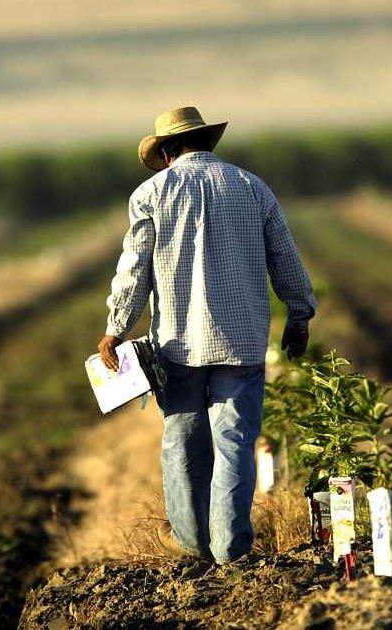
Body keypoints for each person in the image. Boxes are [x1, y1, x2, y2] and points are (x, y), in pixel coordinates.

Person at [98, 105, 317, 564]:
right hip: (241, 342)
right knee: (235, 444)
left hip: (176, 345)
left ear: (166, 153)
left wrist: (116, 328)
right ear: (206, 143)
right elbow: (284, 257)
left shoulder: (150, 194)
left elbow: (134, 268)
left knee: (182, 444)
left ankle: (194, 545)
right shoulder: (251, 187)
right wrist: (299, 315)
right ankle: (230, 551)